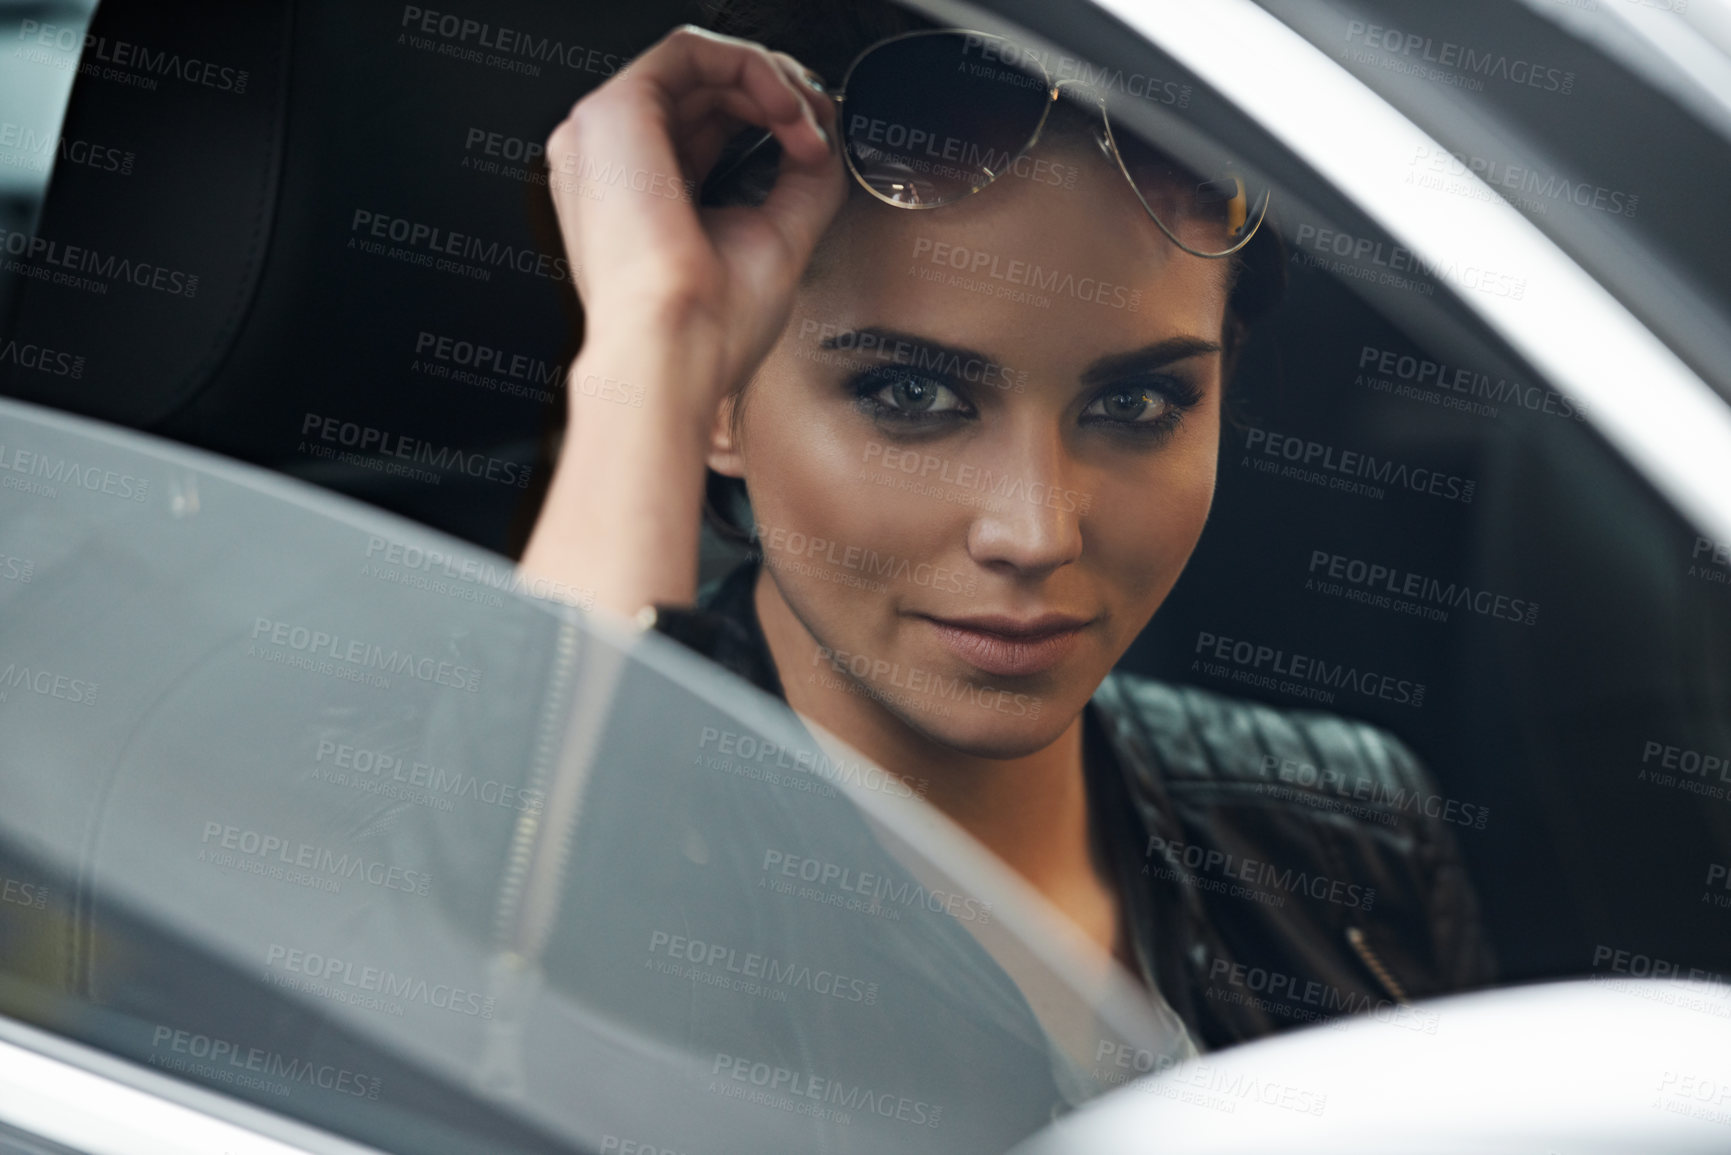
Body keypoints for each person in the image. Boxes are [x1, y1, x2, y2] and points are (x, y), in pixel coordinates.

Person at [519, 0, 1494, 1052]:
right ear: (718, 395)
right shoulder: (551, 828)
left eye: (1135, 406)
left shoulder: (1351, 835)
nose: (1036, 533)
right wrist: (650, 336)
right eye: (911, 396)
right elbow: (500, 1000)